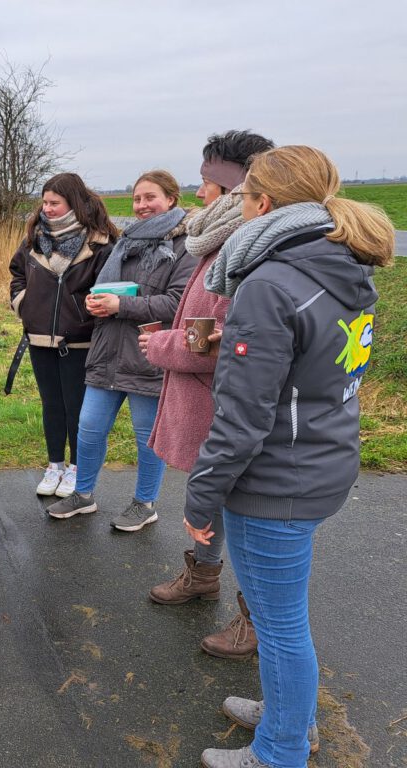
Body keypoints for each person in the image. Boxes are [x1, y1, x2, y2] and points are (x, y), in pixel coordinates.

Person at [190, 145, 393, 768]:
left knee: (279, 629)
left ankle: (280, 749)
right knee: (285, 620)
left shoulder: (272, 282)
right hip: (322, 460)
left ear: (264, 204)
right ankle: (290, 714)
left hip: (276, 479)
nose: (235, 207)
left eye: (241, 196)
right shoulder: (341, 267)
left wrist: (201, 497)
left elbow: (244, 416)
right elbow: (315, 366)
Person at [140, 131, 275, 662]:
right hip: (209, 399)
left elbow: (226, 343)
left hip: (230, 405)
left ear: (243, 188)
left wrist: (163, 344)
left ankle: (256, 618)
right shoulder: (219, 239)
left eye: (207, 183)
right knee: (211, 493)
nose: (198, 193)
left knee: (244, 511)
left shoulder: (248, 249)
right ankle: (202, 575)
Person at [47, 170, 195, 529]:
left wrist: (120, 306)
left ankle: (145, 504)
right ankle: (83, 495)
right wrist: (97, 303)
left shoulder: (184, 248)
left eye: (150, 198)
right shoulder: (124, 243)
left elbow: (179, 304)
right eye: (137, 198)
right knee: (89, 428)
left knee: (147, 439)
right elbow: (108, 289)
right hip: (107, 352)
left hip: (148, 354)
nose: (141, 205)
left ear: (171, 200)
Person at [9, 173, 119, 498]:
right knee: (51, 405)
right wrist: (23, 304)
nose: (48, 209)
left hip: (80, 341)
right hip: (39, 338)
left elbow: (107, 288)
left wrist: (85, 315)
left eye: (54, 203)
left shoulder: (100, 244)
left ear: (73, 203)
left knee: (77, 408)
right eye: (44, 202)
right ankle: (54, 464)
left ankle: (75, 468)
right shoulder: (34, 239)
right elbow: (16, 273)